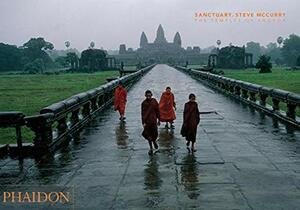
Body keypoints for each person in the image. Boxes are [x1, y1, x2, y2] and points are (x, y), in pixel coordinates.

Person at [141, 90, 160, 155]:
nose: (149, 97)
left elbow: (157, 110)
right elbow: (142, 113)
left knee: (155, 134)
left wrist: (159, 119)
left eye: (150, 95)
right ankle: (151, 148)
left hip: (154, 121)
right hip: (147, 121)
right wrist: (143, 122)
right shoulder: (144, 103)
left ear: (151, 95)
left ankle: (154, 141)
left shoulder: (154, 101)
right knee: (148, 135)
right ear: (145, 96)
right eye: (147, 96)